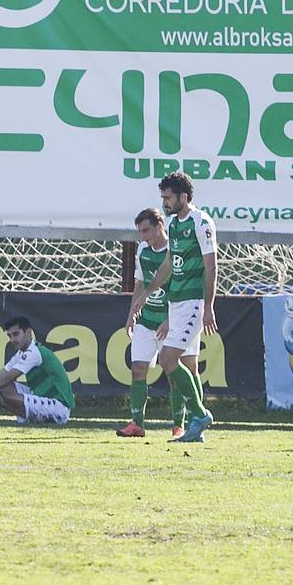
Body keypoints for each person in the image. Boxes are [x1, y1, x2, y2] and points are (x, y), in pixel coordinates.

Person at [130, 172, 216, 444]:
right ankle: (196, 425)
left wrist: (209, 307)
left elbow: (211, 266)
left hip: (192, 301)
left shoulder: (201, 222)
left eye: (168, 197)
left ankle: (199, 415)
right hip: (175, 301)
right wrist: (146, 294)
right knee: (179, 365)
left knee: (171, 360)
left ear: (183, 197)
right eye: (163, 197)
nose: (164, 202)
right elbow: (168, 265)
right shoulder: (174, 224)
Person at [116, 207, 200, 439]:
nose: (143, 237)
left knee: (173, 372)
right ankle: (137, 424)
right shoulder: (143, 250)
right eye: (140, 232)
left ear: (160, 226)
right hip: (146, 319)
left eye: (147, 231)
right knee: (138, 368)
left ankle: (178, 425)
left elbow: (180, 287)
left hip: (170, 319)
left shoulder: (175, 251)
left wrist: (169, 320)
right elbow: (140, 285)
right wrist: (132, 312)